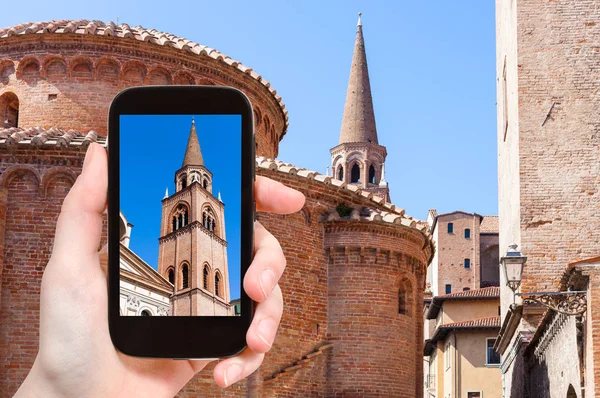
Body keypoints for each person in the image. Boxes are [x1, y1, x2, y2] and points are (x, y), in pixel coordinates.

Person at [14, 143, 305, 397]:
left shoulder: (211, 210)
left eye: (208, 219)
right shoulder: (172, 207)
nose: (192, 184)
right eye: (188, 181)